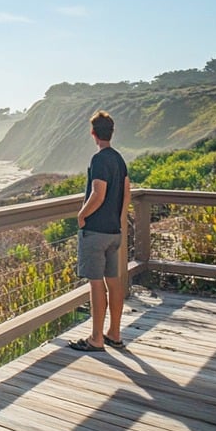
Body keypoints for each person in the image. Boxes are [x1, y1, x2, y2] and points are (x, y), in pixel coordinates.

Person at [70, 110, 131, 352]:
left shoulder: (99, 159)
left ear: (93, 133)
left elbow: (98, 193)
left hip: (95, 232)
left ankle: (96, 338)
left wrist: (82, 215)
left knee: (96, 284)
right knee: (113, 282)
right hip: (114, 231)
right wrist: (120, 221)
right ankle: (114, 334)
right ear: (111, 132)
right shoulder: (118, 159)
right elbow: (126, 193)